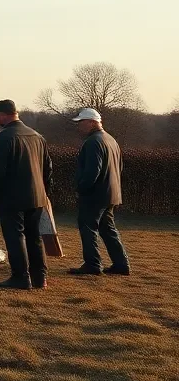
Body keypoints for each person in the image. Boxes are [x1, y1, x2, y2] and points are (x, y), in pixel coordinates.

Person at [0, 99, 53, 290]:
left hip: (12, 196)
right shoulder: (37, 136)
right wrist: (45, 192)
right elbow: (48, 169)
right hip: (37, 197)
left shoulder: (4, 138)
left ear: (4, 115)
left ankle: (20, 277)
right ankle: (40, 278)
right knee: (35, 236)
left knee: (15, 236)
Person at [69, 108, 130, 276]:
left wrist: (80, 189)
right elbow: (119, 167)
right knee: (108, 229)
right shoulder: (111, 140)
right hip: (111, 193)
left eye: (81, 122)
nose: (79, 126)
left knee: (88, 228)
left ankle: (93, 264)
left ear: (91, 122)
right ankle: (121, 264)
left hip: (94, 195)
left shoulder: (93, 142)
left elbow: (91, 172)